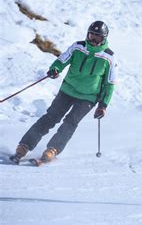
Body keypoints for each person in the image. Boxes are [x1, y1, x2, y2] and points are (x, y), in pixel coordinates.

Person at [10, 21, 118, 165]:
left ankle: (52, 150)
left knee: (70, 122)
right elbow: (62, 60)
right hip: (68, 90)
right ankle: (24, 146)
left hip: (88, 97)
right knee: (51, 117)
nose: (93, 40)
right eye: (91, 35)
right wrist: (55, 69)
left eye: (97, 38)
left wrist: (103, 105)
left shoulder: (108, 57)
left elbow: (109, 84)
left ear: (103, 38)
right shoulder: (78, 47)